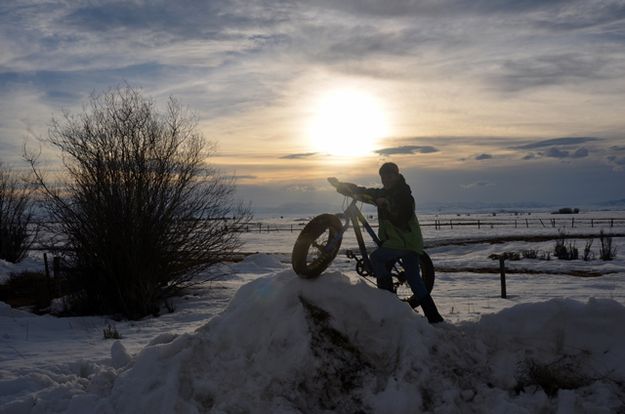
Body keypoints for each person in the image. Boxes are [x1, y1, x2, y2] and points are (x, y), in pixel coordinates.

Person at [328, 162, 444, 324]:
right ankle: (435, 319)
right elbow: (363, 191)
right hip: (407, 243)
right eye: (383, 177)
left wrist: (387, 206)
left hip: (404, 241)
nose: (386, 179)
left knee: (376, 258)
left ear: (397, 175)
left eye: (390, 176)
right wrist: (340, 186)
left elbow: (402, 217)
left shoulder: (404, 195)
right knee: (414, 279)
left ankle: (387, 300)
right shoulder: (382, 193)